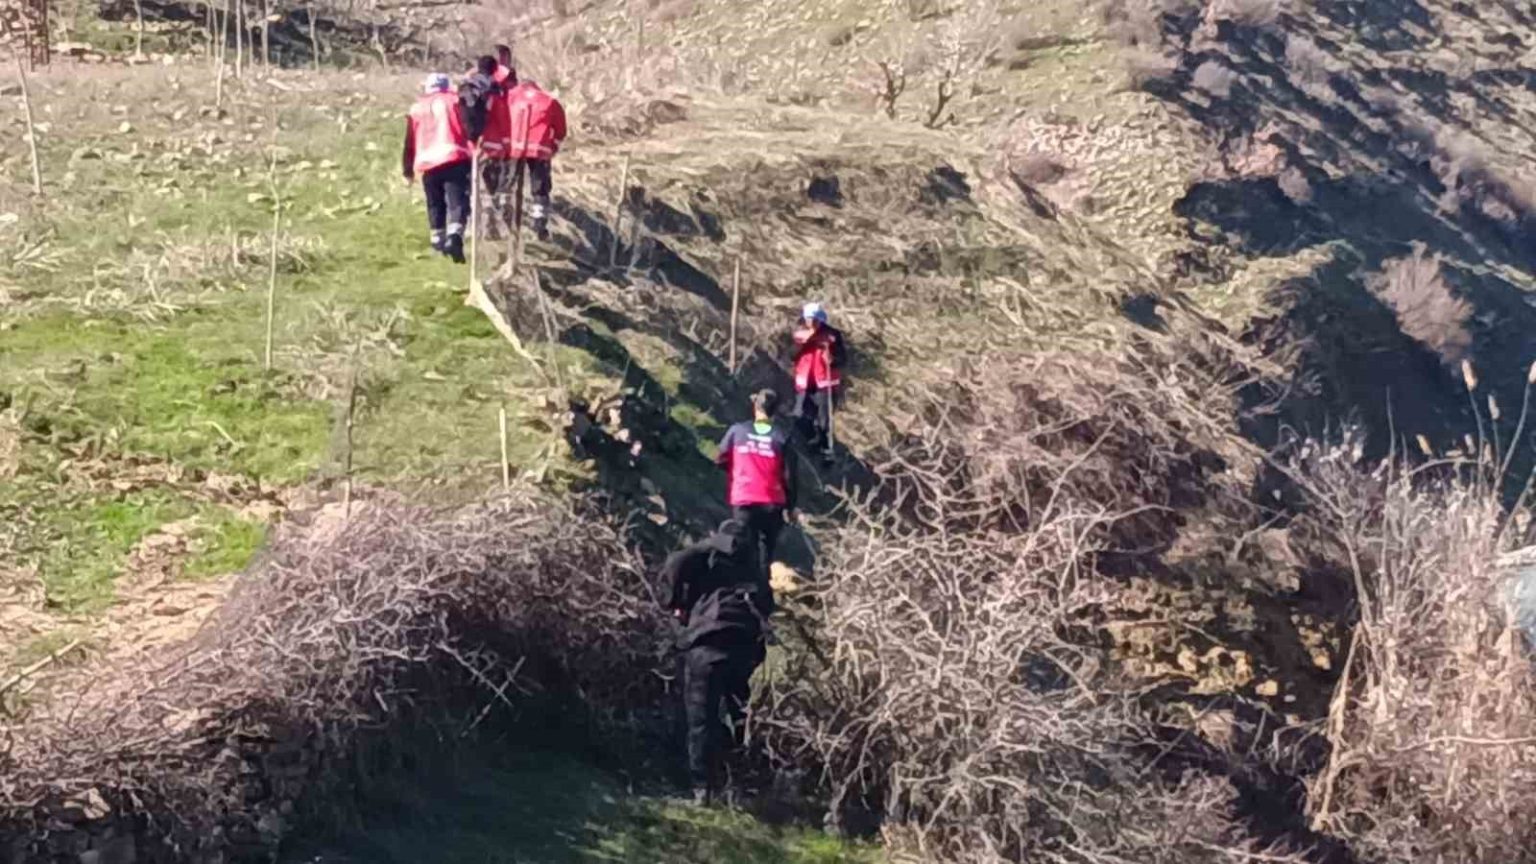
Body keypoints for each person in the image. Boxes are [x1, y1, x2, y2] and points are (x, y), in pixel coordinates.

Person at [663, 519, 774, 805]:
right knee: (741, 718)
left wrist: (675, 602)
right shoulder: (754, 568)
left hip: (706, 643)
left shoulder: (706, 559)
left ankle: (702, 790)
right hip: (743, 650)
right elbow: (767, 607)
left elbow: (674, 562)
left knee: (701, 721)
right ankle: (740, 785)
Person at [716, 389, 798, 577]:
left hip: (744, 498)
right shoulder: (782, 437)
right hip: (772, 501)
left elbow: (720, 459)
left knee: (744, 545)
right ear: (775, 412)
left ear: (755, 407)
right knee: (767, 550)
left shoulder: (737, 431)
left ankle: (744, 583)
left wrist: (737, 471)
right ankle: (762, 584)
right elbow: (790, 476)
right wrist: (791, 506)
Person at [403, 73, 472, 263]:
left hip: (428, 164)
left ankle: (437, 241)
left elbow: (409, 141)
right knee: (457, 202)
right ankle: (454, 238)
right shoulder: (455, 101)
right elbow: (468, 125)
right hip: (454, 157)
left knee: (435, 203)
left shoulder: (417, 108)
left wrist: (407, 170)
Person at [504, 74, 568, 241]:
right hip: (540, 149)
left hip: (514, 148)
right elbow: (561, 130)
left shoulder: (510, 97)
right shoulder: (549, 101)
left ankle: (504, 213)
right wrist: (553, 146)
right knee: (540, 188)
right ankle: (539, 223)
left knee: (508, 182)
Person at [459, 55, 512, 234]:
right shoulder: (495, 90)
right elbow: (502, 119)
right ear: (494, 70)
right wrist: (507, 145)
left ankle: (472, 223)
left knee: (472, 184)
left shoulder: (467, 87)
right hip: (492, 146)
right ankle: (491, 216)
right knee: (492, 184)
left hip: (470, 144)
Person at [791, 302, 847, 464]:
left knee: (824, 419)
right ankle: (807, 442)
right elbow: (790, 355)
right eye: (809, 319)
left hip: (825, 383)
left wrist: (832, 359)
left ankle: (825, 451)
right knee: (800, 414)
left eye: (815, 319)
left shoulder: (832, 335)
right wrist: (802, 345)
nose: (812, 322)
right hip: (804, 382)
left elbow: (843, 358)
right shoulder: (798, 333)